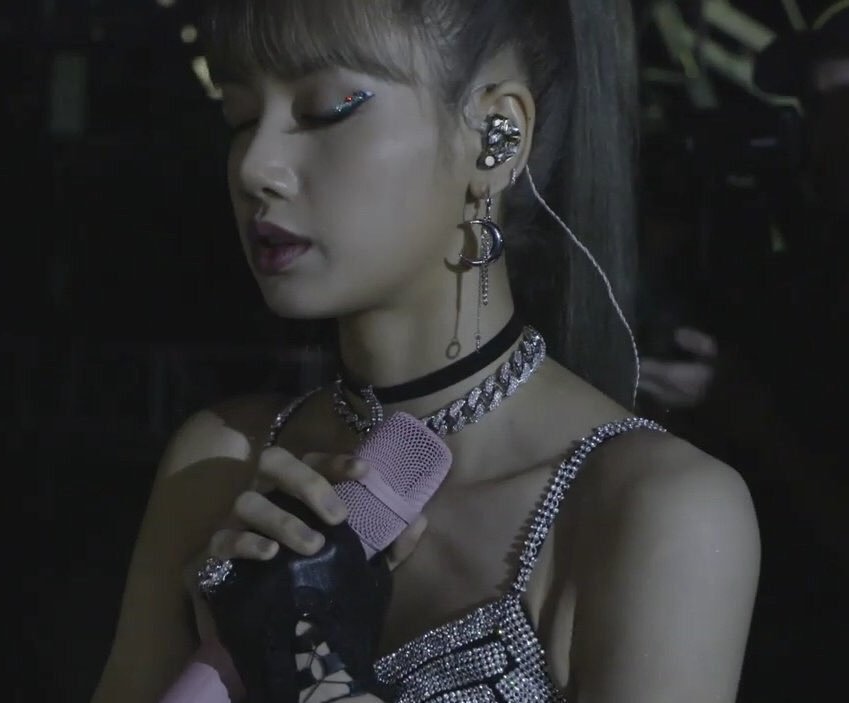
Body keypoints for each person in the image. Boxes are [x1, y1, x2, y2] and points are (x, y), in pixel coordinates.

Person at [91, 1, 760, 702]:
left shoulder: (654, 509)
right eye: (239, 117)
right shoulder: (220, 462)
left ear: (496, 135)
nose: (257, 166)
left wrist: (312, 678)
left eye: (325, 111)